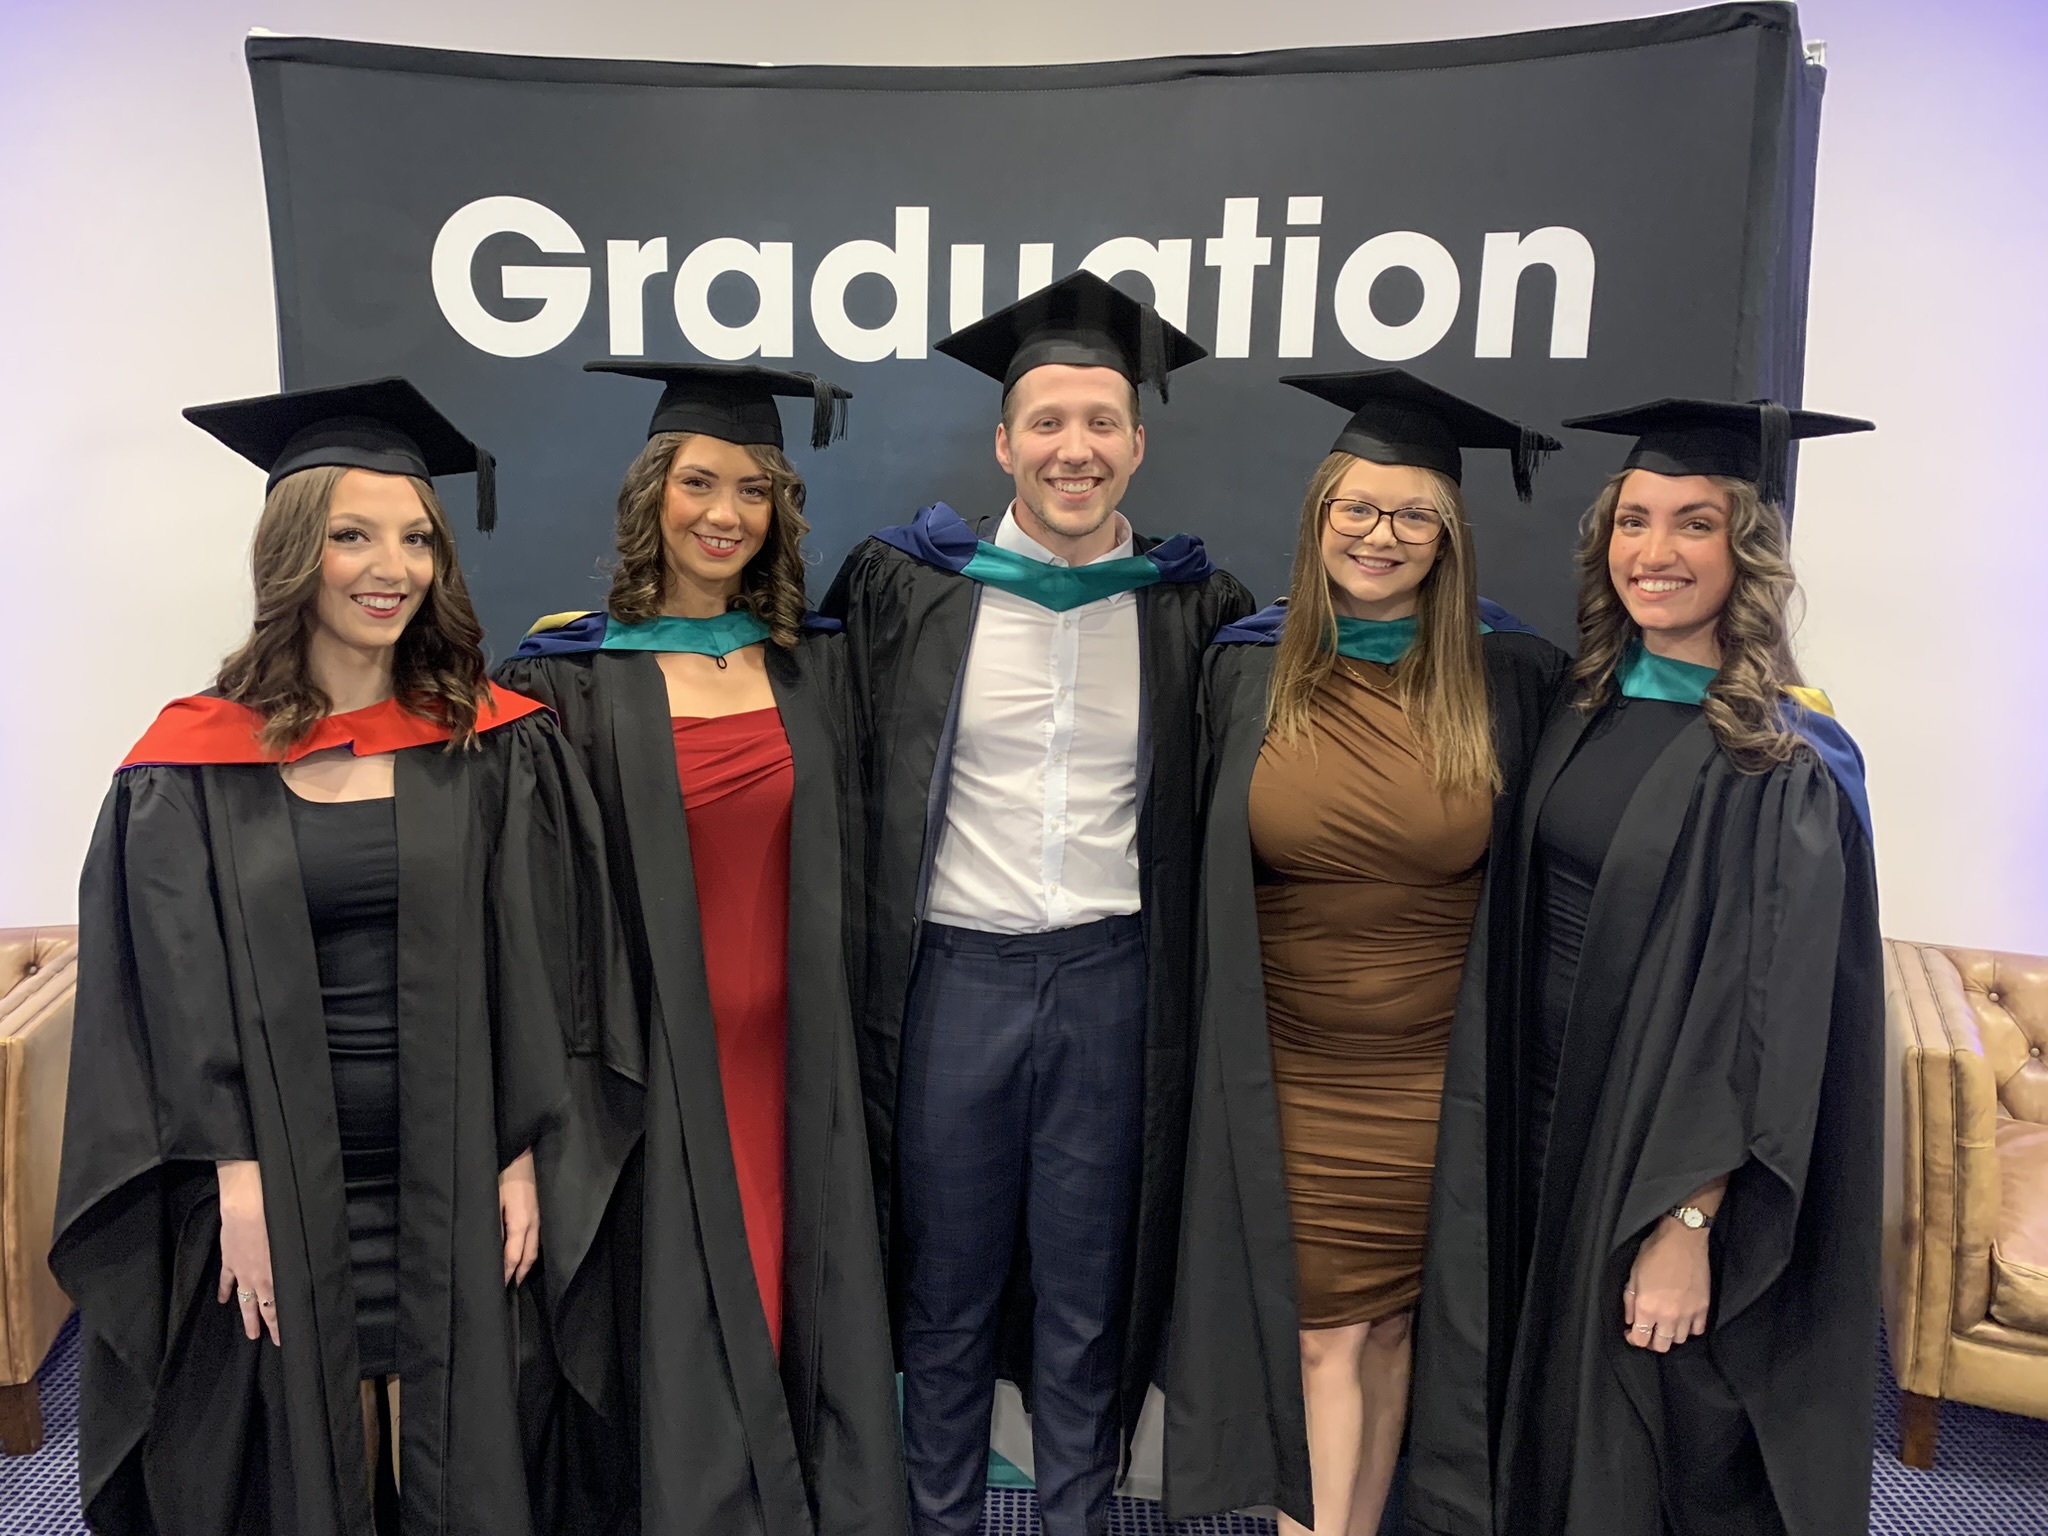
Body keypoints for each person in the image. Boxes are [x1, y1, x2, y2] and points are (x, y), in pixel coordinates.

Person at [51, 378, 613, 1536]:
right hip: (275, 1181)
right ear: (294, 552)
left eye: (414, 539)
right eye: (351, 536)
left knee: (457, 1443)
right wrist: (236, 1172)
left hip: (452, 1159)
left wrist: (518, 1148)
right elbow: (166, 988)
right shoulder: (188, 767)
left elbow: (534, 956)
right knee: (303, 1450)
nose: (386, 567)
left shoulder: (493, 747)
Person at [822, 270, 1255, 1536]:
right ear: (1003, 440)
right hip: (954, 978)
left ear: (1137, 442)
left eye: (1102, 422)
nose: (1076, 449)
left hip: (1114, 983)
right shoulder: (912, 589)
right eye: (1049, 423)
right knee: (946, 1294)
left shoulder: (1189, 607)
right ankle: (942, 1517)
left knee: (1086, 1291)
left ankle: (1073, 1514)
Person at [1404, 399, 1882, 1536]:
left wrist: (1687, 1223)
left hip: (1655, 1148)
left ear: (1746, 550)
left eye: (1692, 523)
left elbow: (1763, 1023)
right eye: (1633, 520)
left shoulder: (1779, 759)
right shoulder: (1582, 701)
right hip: (1538, 1115)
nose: (1653, 553)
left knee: (1642, 1425)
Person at [495, 362, 907, 1536]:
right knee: (682, 1314)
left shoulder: (804, 663)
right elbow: (541, 909)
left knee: (793, 1293)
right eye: (697, 482)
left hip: (795, 1060)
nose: (724, 512)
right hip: (658, 1068)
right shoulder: (568, 678)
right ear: (648, 496)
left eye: (753, 488)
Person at [1161, 371, 1567, 1534]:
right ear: (1316, 517)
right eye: (1355, 510)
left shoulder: (1507, 678)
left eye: (1410, 515)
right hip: (1284, 1064)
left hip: (1433, 1077)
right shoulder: (1248, 666)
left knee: (1384, 1326)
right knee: (1318, 1327)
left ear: (1447, 537)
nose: (1379, 536)